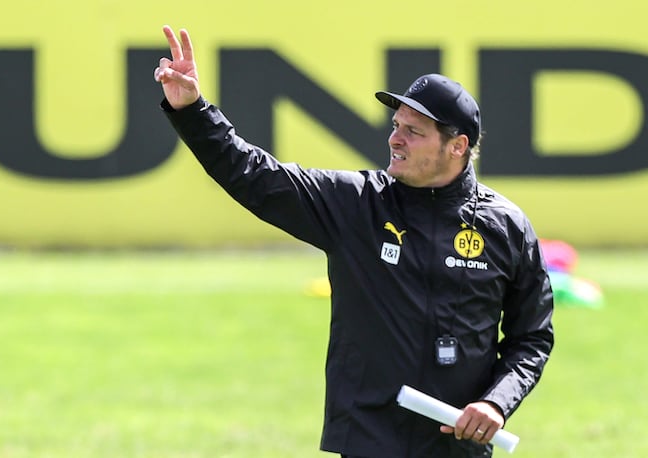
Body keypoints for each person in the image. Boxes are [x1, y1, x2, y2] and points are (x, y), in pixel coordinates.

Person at [154, 25, 554, 458]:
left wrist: (496, 402)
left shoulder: (507, 226)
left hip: (458, 448)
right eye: (396, 125)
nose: (394, 139)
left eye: (414, 131)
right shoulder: (355, 205)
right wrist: (193, 110)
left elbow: (531, 337)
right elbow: (252, 175)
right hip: (368, 440)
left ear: (457, 146)